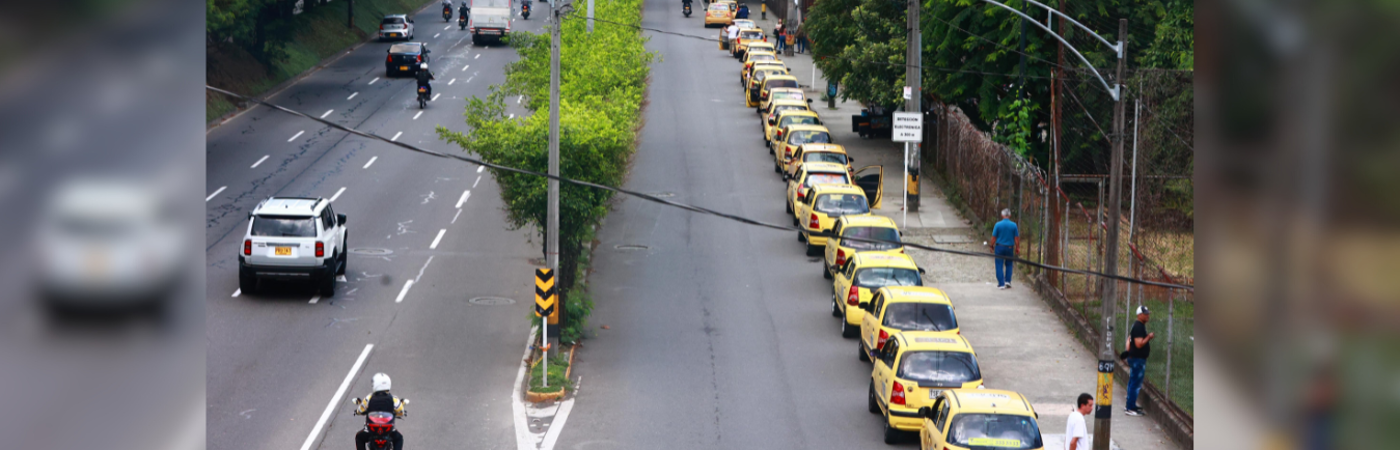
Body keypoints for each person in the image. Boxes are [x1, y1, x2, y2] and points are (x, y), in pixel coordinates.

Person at [355, 373, 406, 450]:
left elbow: (360, 410)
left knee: (359, 438)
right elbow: (401, 411)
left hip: (371, 430)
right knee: (399, 438)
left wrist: (357, 412)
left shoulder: (369, 398)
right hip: (388, 430)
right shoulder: (393, 399)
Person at [1123, 305, 1155, 416]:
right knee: (1135, 384)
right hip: (1138, 360)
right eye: (1145, 314)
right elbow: (1139, 343)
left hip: (1135, 358)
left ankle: (1130, 404)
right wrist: (1149, 337)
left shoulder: (1137, 326)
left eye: (1148, 314)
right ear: (1139, 315)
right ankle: (1130, 407)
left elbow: (1129, 340)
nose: (1147, 316)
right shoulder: (1138, 327)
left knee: (1132, 382)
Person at [991, 208, 1019, 289]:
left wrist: (991, 245)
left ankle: (1001, 283)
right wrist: (1017, 247)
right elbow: (1016, 238)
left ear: (1002, 215)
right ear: (1009, 215)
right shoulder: (1014, 225)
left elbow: (994, 237)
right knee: (1009, 264)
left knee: (999, 264)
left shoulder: (998, 225)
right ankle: (1008, 281)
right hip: (1010, 247)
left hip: (999, 247)